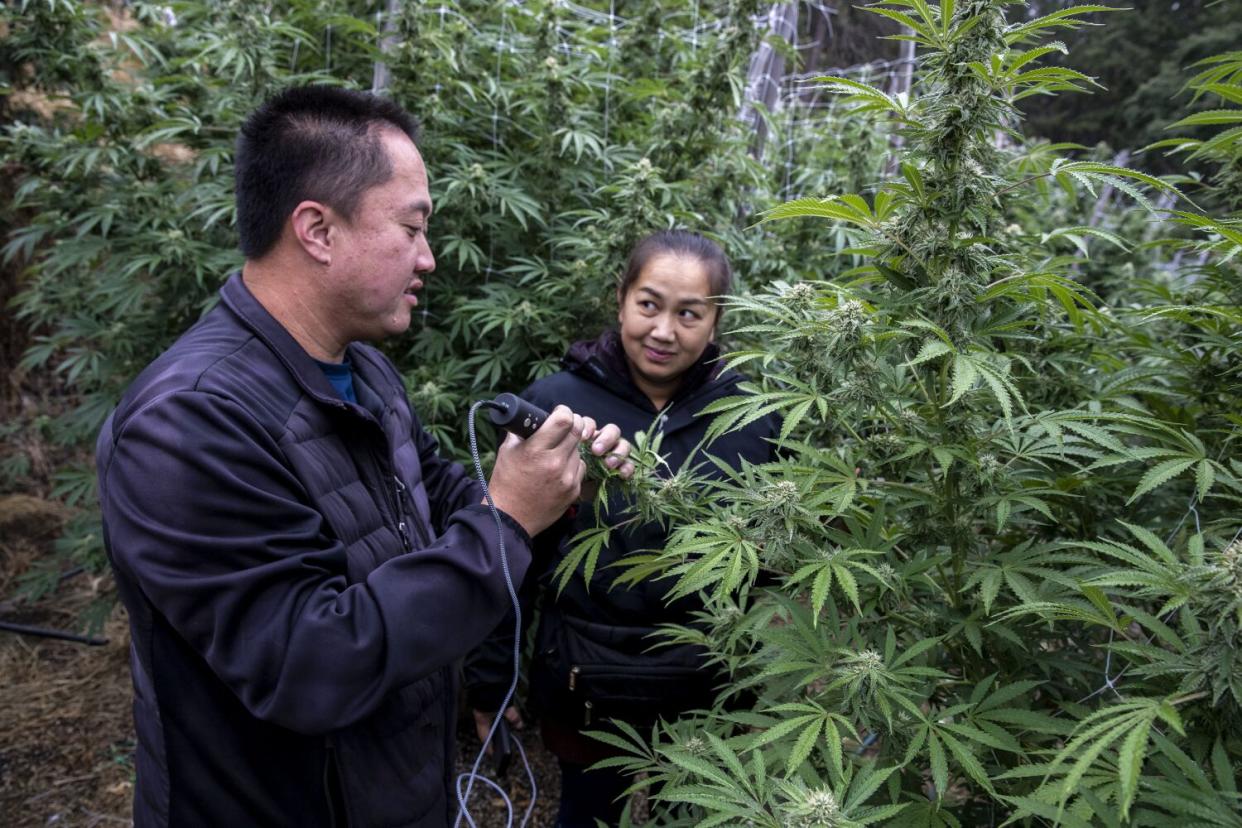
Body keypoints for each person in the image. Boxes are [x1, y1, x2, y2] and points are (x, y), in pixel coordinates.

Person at [95, 85, 633, 828]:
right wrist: (507, 519)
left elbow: (442, 497)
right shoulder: (189, 420)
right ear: (317, 230)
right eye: (412, 229)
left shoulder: (361, 369)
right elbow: (310, 662)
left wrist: (548, 477)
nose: (430, 258)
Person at [464, 230, 779, 827]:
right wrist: (490, 682)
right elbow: (508, 549)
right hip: (586, 674)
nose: (664, 331)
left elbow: (779, 561)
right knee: (585, 812)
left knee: (690, 816)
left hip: (707, 679)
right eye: (649, 304)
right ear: (621, 299)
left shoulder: (756, 416)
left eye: (689, 313)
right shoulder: (556, 406)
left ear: (717, 321)